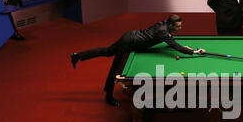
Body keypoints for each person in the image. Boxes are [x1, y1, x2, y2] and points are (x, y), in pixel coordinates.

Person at [71, 15, 205, 106]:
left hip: (130, 36)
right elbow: (174, 45)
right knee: (115, 68)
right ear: (170, 25)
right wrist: (193, 52)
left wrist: (183, 47)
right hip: (129, 43)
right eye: (177, 26)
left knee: (107, 52)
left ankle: (78, 56)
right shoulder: (163, 32)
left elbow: (171, 41)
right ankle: (108, 96)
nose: (180, 28)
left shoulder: (163, 25)